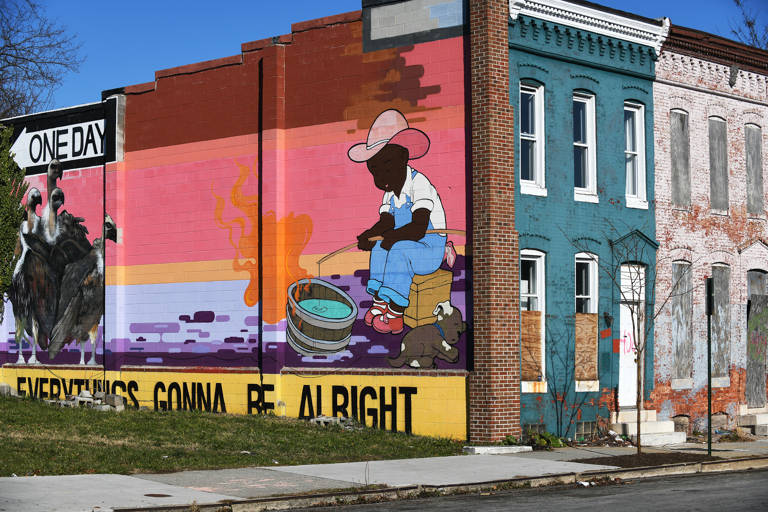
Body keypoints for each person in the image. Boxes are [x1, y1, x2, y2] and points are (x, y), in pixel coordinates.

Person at [348, 109, 446, 334]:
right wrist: (369, 235)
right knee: (381, 246)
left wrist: (392, 236)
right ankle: (380, 302)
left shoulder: (418, 183)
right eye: (375, 170)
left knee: (398, 249)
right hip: (406, 241)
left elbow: (420, 226)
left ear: (402, 159)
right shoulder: (391, 193)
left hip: (429, 248)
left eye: (386, 167)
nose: (381, 178)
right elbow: (386, 223)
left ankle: (395, 314)